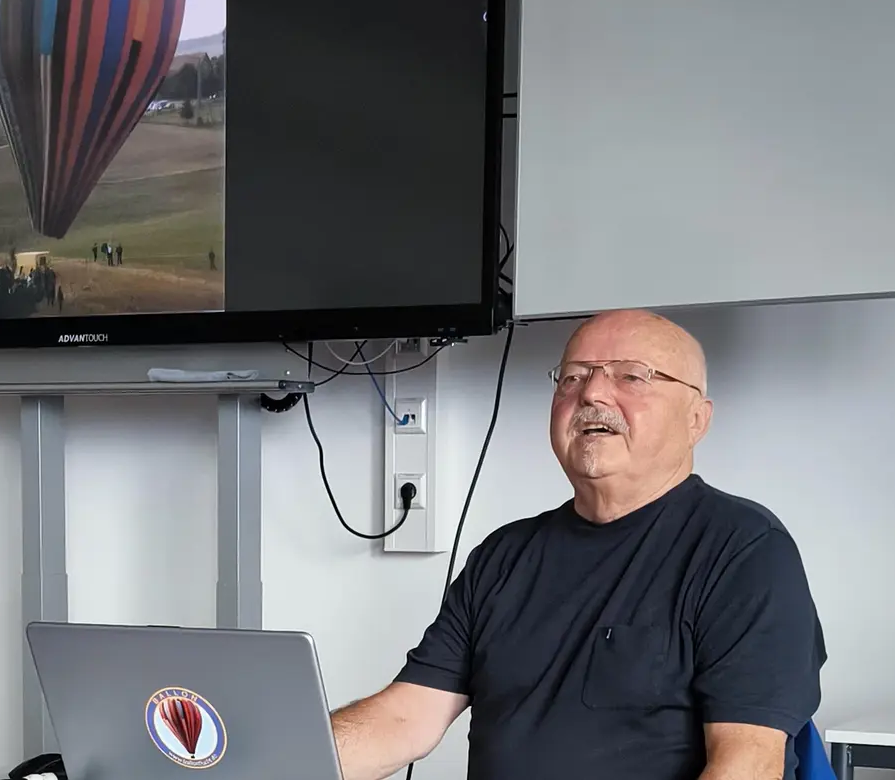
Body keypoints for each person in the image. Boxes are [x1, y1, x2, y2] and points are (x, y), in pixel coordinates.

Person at [330, 309, 827, 780]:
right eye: (572, 377)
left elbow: (747, 765)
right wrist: (294, 752)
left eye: (632, 376)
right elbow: (407, 716)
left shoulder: (744, 551)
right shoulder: (503, 556)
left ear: (697, 419)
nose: (592, 393)